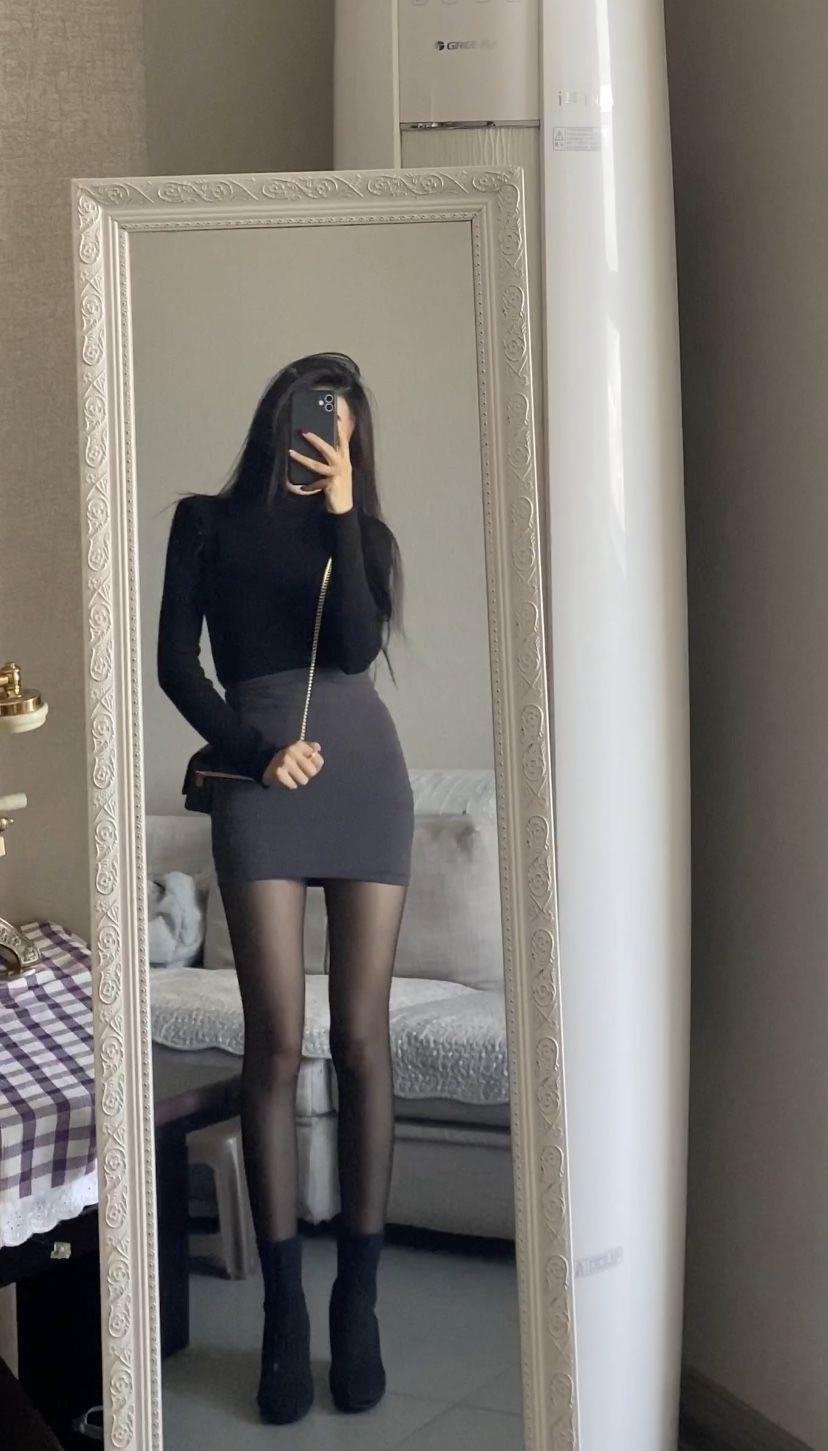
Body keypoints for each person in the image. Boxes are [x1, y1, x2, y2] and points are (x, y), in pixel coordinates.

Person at [156, 352, 414, 1424]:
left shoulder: (366, 536)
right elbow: (176, 664)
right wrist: (257, 754)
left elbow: (353, 646)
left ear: (354, 436)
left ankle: (358, 1301)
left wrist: (345, 511)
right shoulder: (204, 522)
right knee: (276, 1041)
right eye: (312, 411)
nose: (323, 430)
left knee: (361, 1037)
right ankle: (284, 1311)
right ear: (278, 414)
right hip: (263, 778)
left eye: (342, 421)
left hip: (365, 779)